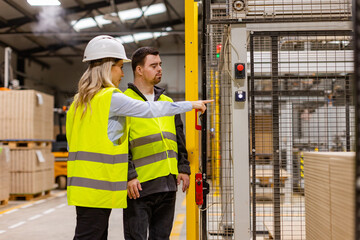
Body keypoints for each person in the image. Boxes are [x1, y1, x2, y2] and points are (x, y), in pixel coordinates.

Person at [66, 35, 211, 240]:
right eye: (119, 66)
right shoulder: (110, 97)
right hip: (99, 184)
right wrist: (190, 104)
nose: (122, 72)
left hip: (84, 185)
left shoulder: (78, 102)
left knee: (92, 235)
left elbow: (74, 141)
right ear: (108, 68)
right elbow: (147, 109)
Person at [123, 47, 189, 240]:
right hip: (139, 186)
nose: (159, 69)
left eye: (160, 65)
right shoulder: (124, 101)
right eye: (153, 65)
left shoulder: (168, 101)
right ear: (139, 70)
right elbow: (120, 144)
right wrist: (129, 176)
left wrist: (183, 167)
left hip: (168, 185)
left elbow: (179, 138)